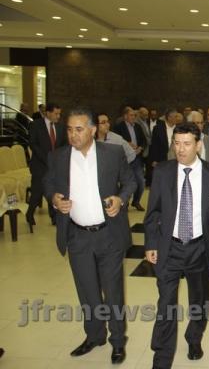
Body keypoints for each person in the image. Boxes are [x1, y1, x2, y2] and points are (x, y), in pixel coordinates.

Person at [43, 107, 136, 364]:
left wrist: (120, 199)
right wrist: (54, 199)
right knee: (87, 291)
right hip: (77, 236)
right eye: (69, 129)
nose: (73, 135)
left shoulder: (112, 153)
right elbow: (48, 182)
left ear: (93, 130)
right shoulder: (57, 157)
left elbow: (130, 182)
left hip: (108, 234)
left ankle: (118, 341)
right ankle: (95, 336)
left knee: (113, 292)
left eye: (79, 129)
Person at [144, 123, 209, 369]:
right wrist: (151, 242)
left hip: (200, 248)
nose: (181, 149)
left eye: (187, 144)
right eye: (177, 143)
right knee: (166, 305)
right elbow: (153, 212)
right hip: (169, 248)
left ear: (198, 145)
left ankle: (194, 337)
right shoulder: (163, 171)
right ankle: (161, 359)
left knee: (200, 301)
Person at [26, 102, 67, 230]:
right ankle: (29, 213)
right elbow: (32, 143)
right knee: (37, 192)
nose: (58, 116)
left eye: (59, 114)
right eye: (56, 114)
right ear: (48, 113)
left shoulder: (60, 126)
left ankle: (54, 217)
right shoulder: (36, 125)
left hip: (55, 165)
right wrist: (46, 158)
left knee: (53, 191)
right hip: (40, 164)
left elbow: (63, 144)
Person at [113, 107, 148, 211]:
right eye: (131, 115)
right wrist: (127, 144)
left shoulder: (137, 126)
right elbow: (115, 142)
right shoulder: (118, 127)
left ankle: (136, 202)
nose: (133, 117)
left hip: (136, 158)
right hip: (125, 158)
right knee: (125, 183)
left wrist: (141, 147)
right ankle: (125, 203)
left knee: (141, 183)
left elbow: (144, 139)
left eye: (134, 115)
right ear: (125, 116)